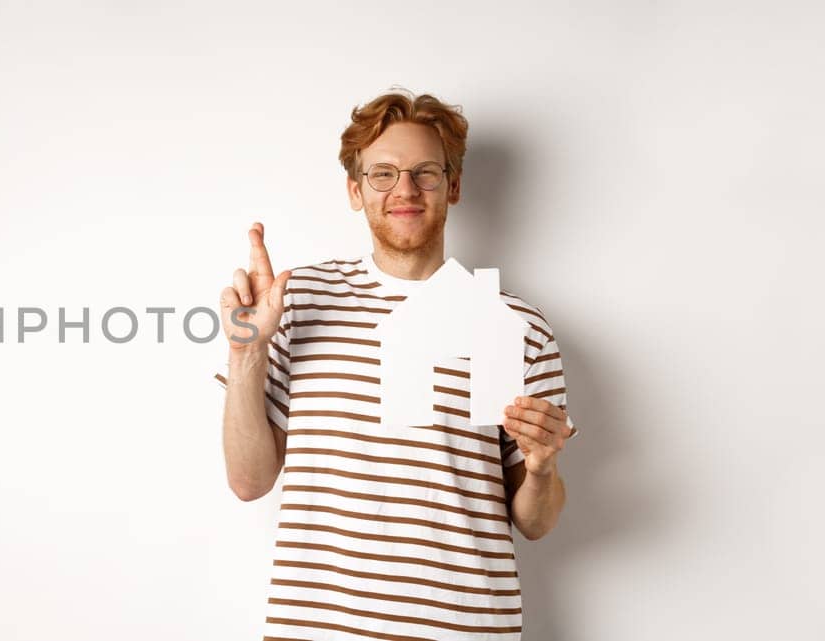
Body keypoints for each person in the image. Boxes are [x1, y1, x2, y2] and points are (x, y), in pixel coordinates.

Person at [214, 89, 578, 640]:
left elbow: (535, 521)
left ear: (453, 186)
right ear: (355, 191)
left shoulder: (513, 326)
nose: (404, 189)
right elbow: (248, 481)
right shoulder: (298, 302)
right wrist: (247, 353)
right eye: (382, 174)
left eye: (424, 172)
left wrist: (543, 467)